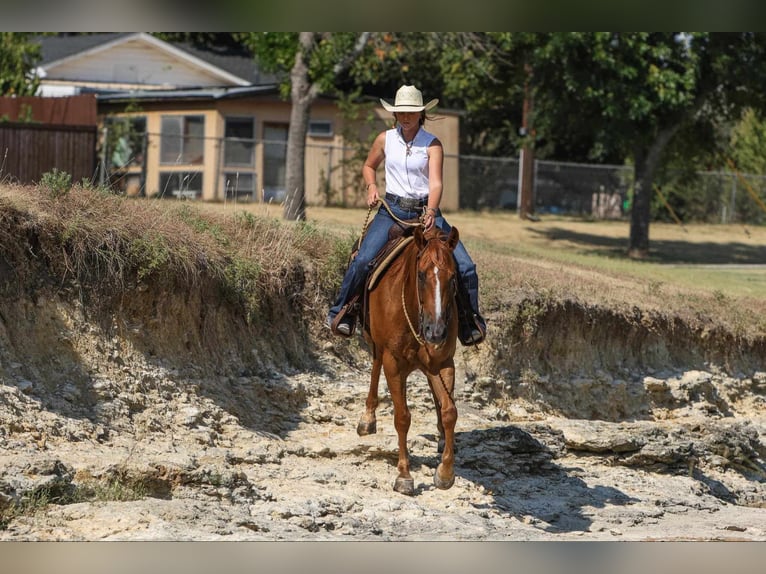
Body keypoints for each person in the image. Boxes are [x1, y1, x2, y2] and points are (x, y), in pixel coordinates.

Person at [326, 84, 486, 346]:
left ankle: (470, 322)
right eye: (401, 112)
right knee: (364, 258)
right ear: (395, 114)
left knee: (465, 266)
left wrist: (432, 210)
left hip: (426, 211)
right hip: (392, 211)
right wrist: (371, 186)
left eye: (411, 112)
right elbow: (369, 166)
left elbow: (435, 183)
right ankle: (343, 312)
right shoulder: (384, 139)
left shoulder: (432, 144)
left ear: (421, 113)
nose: (406, 116)